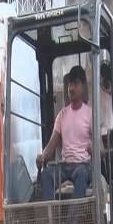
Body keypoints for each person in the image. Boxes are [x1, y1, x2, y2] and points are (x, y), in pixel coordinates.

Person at [37, 65, 93, 200]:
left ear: (83, 86)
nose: (71, 88)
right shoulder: (62, 115)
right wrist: (42, 156)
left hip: (83, 165)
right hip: (65, 165)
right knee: (46, 175)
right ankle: (52, 219)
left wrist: (94, 150)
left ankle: (71, 222)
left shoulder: (90, 114)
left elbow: (99, 148)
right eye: (69, 84)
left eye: (75, 84)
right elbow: (51, 147)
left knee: (81, 175)